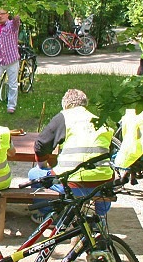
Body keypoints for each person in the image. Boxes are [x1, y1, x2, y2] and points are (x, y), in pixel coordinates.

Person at [29, 89, 115, 217]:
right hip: (102, 181)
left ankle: (47, 214)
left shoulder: (64, 117)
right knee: (105, 176)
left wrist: (42, 165)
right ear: (85, 104)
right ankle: (100, 216)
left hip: (72, 182)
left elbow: (40, 145)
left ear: (65, 104)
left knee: (34, 174)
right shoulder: (100, 121)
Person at [0, 8, 21, 114]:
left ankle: (11, 106)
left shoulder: (12, 25)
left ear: (7, 14)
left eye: (2, 14)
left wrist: (17, 15)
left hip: (12, 60)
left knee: (13, 84)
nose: (0, 16)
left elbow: (16, 22)